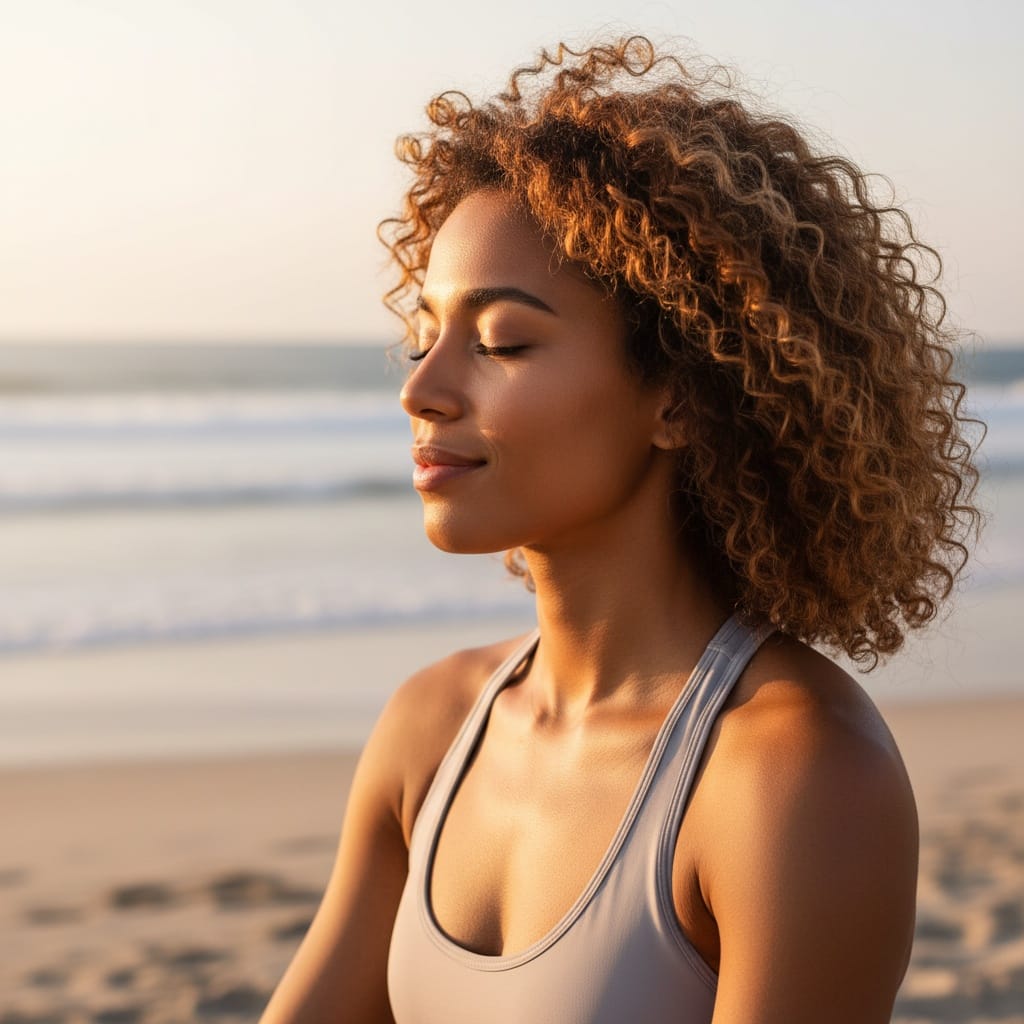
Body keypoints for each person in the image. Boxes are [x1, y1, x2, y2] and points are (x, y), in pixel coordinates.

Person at [261, 36, 980, 1024]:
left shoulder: (791, 772)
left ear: (680, 397)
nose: (420, 390)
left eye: (503, 341)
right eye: (424, 336)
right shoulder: (429, 730)